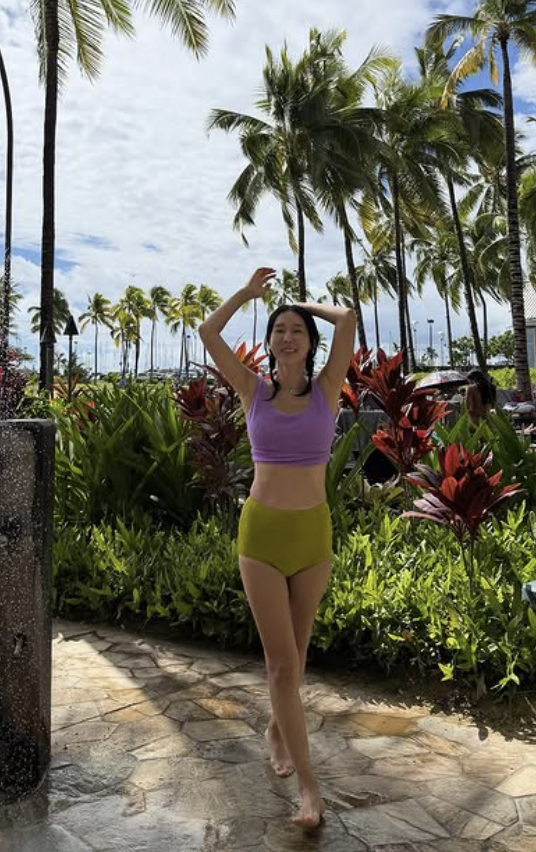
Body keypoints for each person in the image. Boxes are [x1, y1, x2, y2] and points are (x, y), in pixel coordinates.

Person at [198, 266, 355, 831]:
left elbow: (348, 319)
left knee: (296, 654)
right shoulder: (253, 391)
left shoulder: (327, 390)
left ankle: (274, 728)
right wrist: (247, 293)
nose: (288, 337)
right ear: (268, 343)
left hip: (312, 537)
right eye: (279, 330)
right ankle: (310, 788)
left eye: (297, 331)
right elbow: (208, 332)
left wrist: (304, 306)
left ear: (310, 344)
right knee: (283, 663)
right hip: (261, 537)